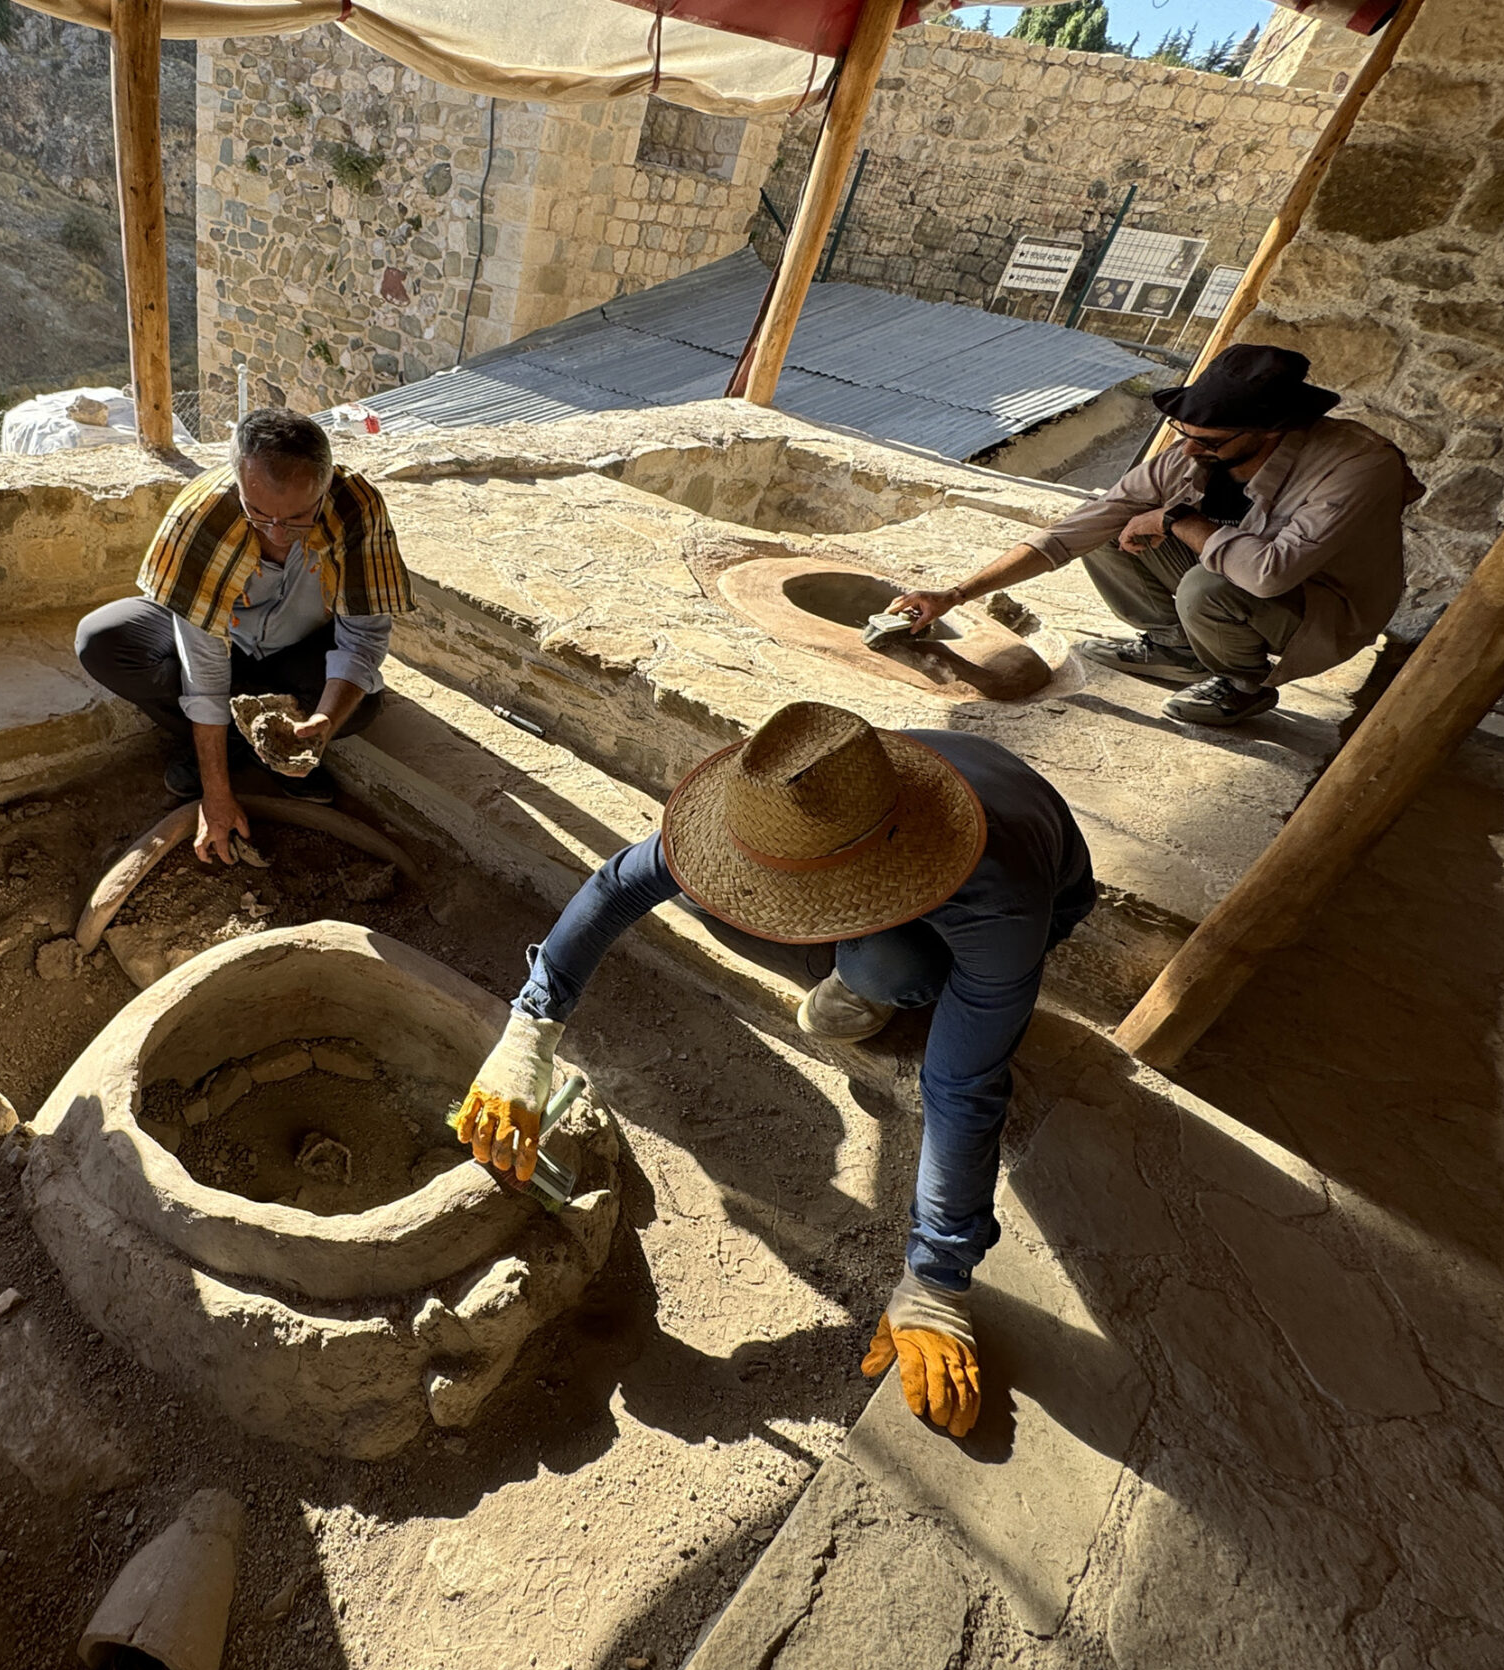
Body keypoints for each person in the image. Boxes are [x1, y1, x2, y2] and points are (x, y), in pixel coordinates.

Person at [452, 700, 1094, 1440]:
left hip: (1033, 883)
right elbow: (615, 885)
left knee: (891, 965)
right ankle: (865, 969)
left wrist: (937, 1277)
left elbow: (963, 1086)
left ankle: (876, 980)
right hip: (887, 825)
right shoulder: (782, 802)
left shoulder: (998, 900)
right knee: (745, 911)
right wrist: (529, 1030)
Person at [886, 344, 1423, 727]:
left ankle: (1242, 686)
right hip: (1239, 572)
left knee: (1207, 589)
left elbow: (1268, 574)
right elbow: (1072, 532)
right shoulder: (1199, 449)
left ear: (1271, 431)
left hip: (1323, 605)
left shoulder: (1358, 465)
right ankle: (1175, 647)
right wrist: (955, 594)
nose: (1189, 451)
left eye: (1207, 439)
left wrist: (1175, 521)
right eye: (1184, 434)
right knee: (1114, 527)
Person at [75, 408, 413, 863]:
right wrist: (216, 795)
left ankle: (276, 748)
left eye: (297, 517)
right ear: (237, 483)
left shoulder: (355, 507)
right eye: (258, 513)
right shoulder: (204, 516)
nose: (278, 534)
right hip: (222, 641)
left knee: (361, 705)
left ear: (325, 483)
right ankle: (236, 750)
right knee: (102, 640)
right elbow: (203, 666)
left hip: (296, 648)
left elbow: (363, 639)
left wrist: (325, 723)